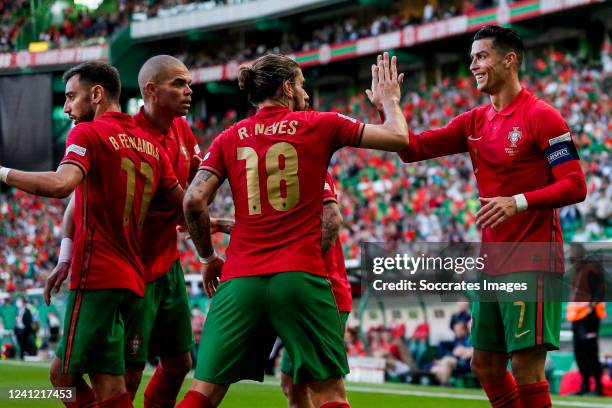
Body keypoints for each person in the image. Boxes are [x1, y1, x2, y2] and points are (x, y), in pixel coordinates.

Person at [368, 26, 586, 407]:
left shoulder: (543, 117)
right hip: (491, 264)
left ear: (509, 59)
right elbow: (411, 149)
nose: (473, 65)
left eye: (481, 56)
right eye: (472, 58)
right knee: (484, 365)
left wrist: (517, 201)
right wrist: (391, 108)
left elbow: (575, 186)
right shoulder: (473, 122)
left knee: (526, 368)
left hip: (531, 258)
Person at [177, 52, 409, 408]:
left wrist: (207, 257)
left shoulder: (228, 137)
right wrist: (389, 101)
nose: (305, 92)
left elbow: (193, 200)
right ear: (287, 87)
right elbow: (398, 137)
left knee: (203, 392)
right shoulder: (319, 123)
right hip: (299, 276)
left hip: (240, 280)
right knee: (329, 393)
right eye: (301, 84)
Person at [0, 61, 183, 408]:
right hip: (134, 282)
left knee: (61, 377)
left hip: (98, 276)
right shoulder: (150, 144)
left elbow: (60, 185)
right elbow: (186, 205)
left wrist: (3, 171)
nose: (67, 107)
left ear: (96, 95)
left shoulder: (88, 133)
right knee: (111, 385)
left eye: (71, 97)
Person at [44, 55, 221, 407]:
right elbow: (74, 198)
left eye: (189, 83)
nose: (189, 90)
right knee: (120, 376)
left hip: (167, 262)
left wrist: (201, 222)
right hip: (135, 267)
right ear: (151, 91)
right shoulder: (126, 134)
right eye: (179, 84)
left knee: (179, 363)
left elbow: (190, 195)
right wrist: (66, 254)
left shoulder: (183, 131)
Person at [280, 172, 352, 408]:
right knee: (292, 384)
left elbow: (332, 221)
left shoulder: (311, 166)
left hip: (325, 291)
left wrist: (302, 264)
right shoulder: (282, 181)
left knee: (324, 386)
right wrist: (223, 225)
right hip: (302, 293)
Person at [567, 243, 606, 395]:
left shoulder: (592, 267)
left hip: (589, 317)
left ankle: (598, 386)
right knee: (579, 352)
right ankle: (585, 385)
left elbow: (601, 289)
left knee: (590, 351)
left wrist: (591, 308)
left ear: (579, 253)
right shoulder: (576, 271)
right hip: (576, 318)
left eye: (572, 252)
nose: (570, 256)